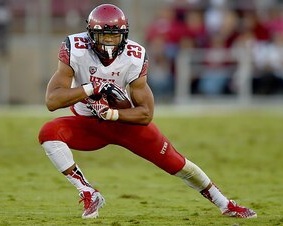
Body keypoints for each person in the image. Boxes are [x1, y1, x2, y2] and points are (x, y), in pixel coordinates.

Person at [38, 4, 257, 219]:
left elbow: (145, 114)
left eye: (114, 37)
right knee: (48, 133)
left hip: (122, 122)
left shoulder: (134, 55)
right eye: (103, 36)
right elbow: (52, 100)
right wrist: (91, 88)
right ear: (90, 35)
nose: (109, 43)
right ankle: (88, 191)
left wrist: (112, 114)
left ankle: (225, 204)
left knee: (177, 163)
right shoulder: (75, 47)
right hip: (87, 123)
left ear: (124, 35)